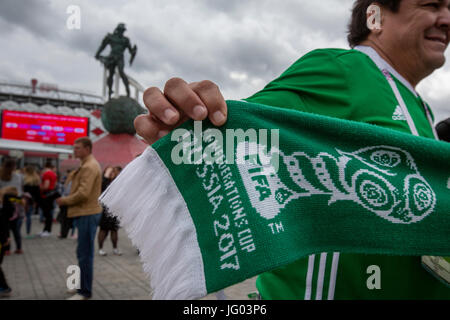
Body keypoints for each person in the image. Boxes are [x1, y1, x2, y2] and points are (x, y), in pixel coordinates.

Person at [134, 0, 450, 299]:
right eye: (431, 5)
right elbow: (229, 139)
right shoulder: (344, 70)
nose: (447, 18)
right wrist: (186, 123)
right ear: (375, 17)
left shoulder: (423, 110)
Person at [56, 137, 102, 300]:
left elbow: (84, 193)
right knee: (82, 252)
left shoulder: (89, 166)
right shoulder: (86, 164)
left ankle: (84, 291)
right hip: (84, 212)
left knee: (85, 253)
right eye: (74, 147)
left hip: (87, 213)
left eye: (78, 148)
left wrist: (64, 200)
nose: (74, 150)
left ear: (88, 149)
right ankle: (81, 286)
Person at [0, 158, 24, 254]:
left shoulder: (1, 175)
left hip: (3, 204)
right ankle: (19, 248)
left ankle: (7, 249)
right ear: (14, 166)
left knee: (5, 228)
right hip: (15, 203)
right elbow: (19, 191)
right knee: (16, 229)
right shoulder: (18, 176)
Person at [98, 166, 122, 256]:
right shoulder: (104, 182)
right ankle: (100, 248)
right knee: (103, 230)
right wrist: (106, 176)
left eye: (113, 172)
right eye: (110, 172)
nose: (112, 174)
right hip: (105, 210)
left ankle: (115, 249)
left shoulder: (117, 182)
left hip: (115, 209)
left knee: (114, 230)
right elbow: (102, 189)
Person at [0, 186, 19, 297]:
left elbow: (2, 226)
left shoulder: (5, 207)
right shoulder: (5, 208)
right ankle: (4, 287)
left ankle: (4, 287)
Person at [39, 161, 58, 237]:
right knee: (49, 213)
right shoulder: (54, 174)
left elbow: (46, 186)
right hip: (51, 194)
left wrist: (40, 187)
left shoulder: (46, 174)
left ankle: (47, 230)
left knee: (47, 214)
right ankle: (46, 230)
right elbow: (55, 184)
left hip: (46, 196)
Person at [23, 165, 41, 238]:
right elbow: (37, 193)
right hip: (31, 200)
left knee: (20, 216)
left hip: (23, 200)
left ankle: (17, 230)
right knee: (28, 216)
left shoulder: (24, 179)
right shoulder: (36, 180)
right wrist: (36, 202)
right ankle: (28, 232)